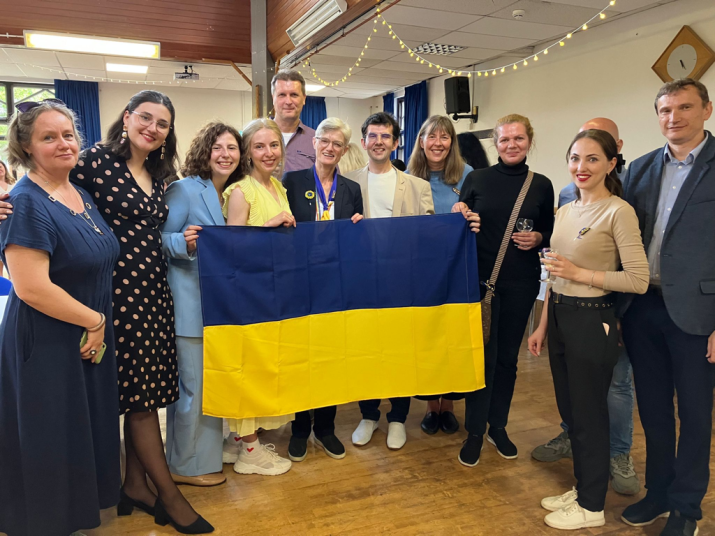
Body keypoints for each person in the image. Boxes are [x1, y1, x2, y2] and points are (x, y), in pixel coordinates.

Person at [71, 90, 213, 534]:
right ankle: (168, 494)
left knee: (147, 391)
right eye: (145, 118)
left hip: (153, 292)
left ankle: (134, 483)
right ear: (127, 117)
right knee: (139, 400)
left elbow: (155, 233)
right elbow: (49, 189)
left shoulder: (159, 172)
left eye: (163, 123)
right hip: (114, 293)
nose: (153, 127)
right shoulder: (94, 160)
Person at [0, 100, 120, 536]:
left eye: (68, 135)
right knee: (49, 434)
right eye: (48, 137)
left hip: (82, 332)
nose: (62, 144)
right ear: (27, 147)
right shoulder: (25, 202)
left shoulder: (78, 194)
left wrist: (94, 323)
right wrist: (94, 320)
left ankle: (73, 512)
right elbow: (30, 286)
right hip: (47, 338)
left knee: (75, 430)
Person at [527, 129, 649, 530]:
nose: (581, 167)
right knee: (572, 414)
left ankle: (592, 505)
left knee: (590, 414)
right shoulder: (565, 211)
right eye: (575, 158)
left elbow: (637, 279)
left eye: (592, 159)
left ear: (611, 164)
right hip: (560, 316)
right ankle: (584, 486)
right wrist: (543, 323)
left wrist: (581, 273)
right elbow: (552, 274)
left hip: (591, 319)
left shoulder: (618, 211)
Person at [619, 78, 714, 536]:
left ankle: (686, 509)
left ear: (706, 111)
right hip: (643, 309)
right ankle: (657, 492)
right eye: (665, 110)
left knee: (694, 414)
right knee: (653, 408)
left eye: (684, 108)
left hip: (699, 314)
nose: (673, 118)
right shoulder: (639, 169)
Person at [453, 114, 553, 467]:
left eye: (519, 138)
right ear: (495, 144)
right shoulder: (476, 179)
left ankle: (499, 426)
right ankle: (475, 431)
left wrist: (539, 237)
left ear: (529, 141)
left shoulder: (540, 184)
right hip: (479, 284)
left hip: (521, 283)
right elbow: (458, 224)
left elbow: (549, 232)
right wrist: (460, 212)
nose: (512, 145)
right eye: (505, 139)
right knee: (483, 359)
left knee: (508, 360)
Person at [161, 121, 246, 487]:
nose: (226, 155)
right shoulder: (184, 190)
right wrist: (185, 243)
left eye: (232, 148)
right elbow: (158, 239)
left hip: (221, 308)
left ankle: (204, 458)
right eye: (218, 147)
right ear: (205, 151)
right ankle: (184, 466)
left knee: (209, 389)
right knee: (192, 391)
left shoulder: (235, 193)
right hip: (189, 307)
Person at [345, 111, 435, 450]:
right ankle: (368, 414)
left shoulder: (418, 186)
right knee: (365, 350)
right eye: (373, 136)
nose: (379, 142)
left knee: (400, 350)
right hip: (362, 280)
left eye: (386, 136)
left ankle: (398, 418)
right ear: (364, 141)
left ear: (395, 142)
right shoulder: (348, 182)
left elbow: (427, 237)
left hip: (402, 281)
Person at [282, 117, 364, 462]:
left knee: (331, 356)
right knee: (303, 356)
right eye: (325, 141)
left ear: (344, 150)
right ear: (314, 144)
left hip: (336, 284)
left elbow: (358, 240)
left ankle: (326, 428)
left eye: (337, 144)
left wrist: (359, 228)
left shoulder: (351, 190)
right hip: (300, 282)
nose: (330, 148)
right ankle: (300, 428)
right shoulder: (291, 181)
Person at [221, 117, 295, 476]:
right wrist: (266, 227)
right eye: (260, 146)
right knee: (248, 370)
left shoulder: (278, 189)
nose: (269, 152)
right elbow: (232, 249)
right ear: (248, 152)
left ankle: (241, 442)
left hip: (273, 292)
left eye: (274, 145)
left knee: (264, 369)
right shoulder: (241, 191)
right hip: (248, 294)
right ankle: (250, 450)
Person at [407, 115, 474, 434]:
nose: (437, 143)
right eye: (431, 136)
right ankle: (432, 406)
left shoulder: (469, 176)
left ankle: (449, 405)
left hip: (456, 271)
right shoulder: (407, 178)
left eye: (444, 137)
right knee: (426, 341)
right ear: (421, 142)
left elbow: (479, 220)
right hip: (419, 272)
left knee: (452, 339)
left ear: (452, 143)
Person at [271, 70, 315, 173]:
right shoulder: (254, 138)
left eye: (294, 95)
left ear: (304, 99)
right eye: (282, 95)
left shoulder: (317, 141)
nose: (288, 102)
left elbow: (333, 183)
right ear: (273, 98)